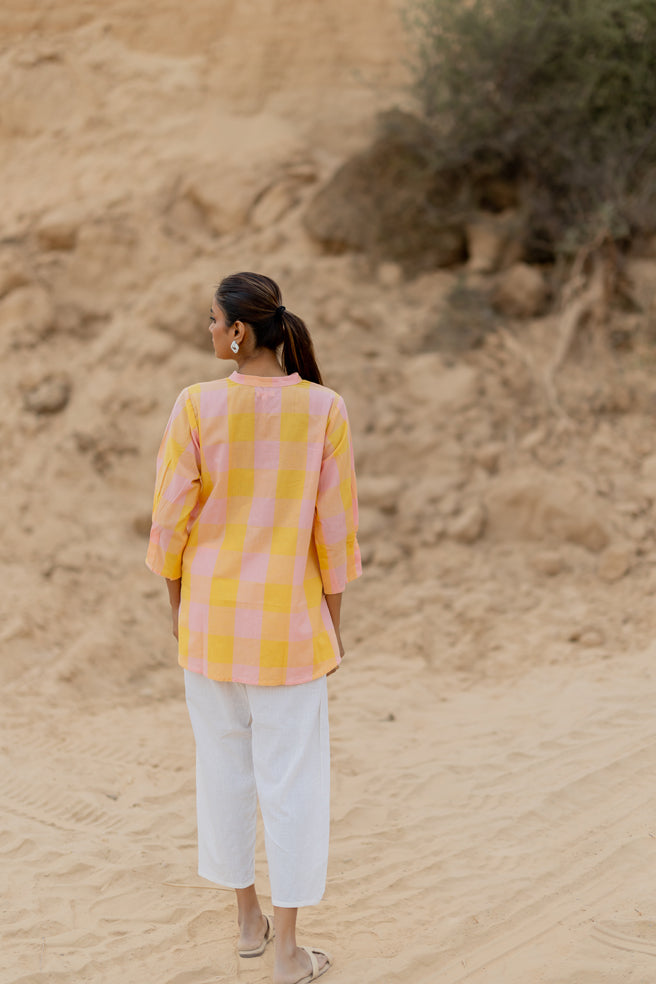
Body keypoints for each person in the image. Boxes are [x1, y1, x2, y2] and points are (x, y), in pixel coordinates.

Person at [146, 271, 361, 984]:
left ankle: (247, 923)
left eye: (213, 320)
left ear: (239, 331)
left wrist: (180, 613)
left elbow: (169, 526)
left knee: (224, 774)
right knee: (292, 785)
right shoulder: (325, 409)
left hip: (210, 627)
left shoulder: (195, 405)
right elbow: (335, 537)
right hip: (291, 633)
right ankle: (288, 952)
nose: (208, 330)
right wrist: (332, 630)